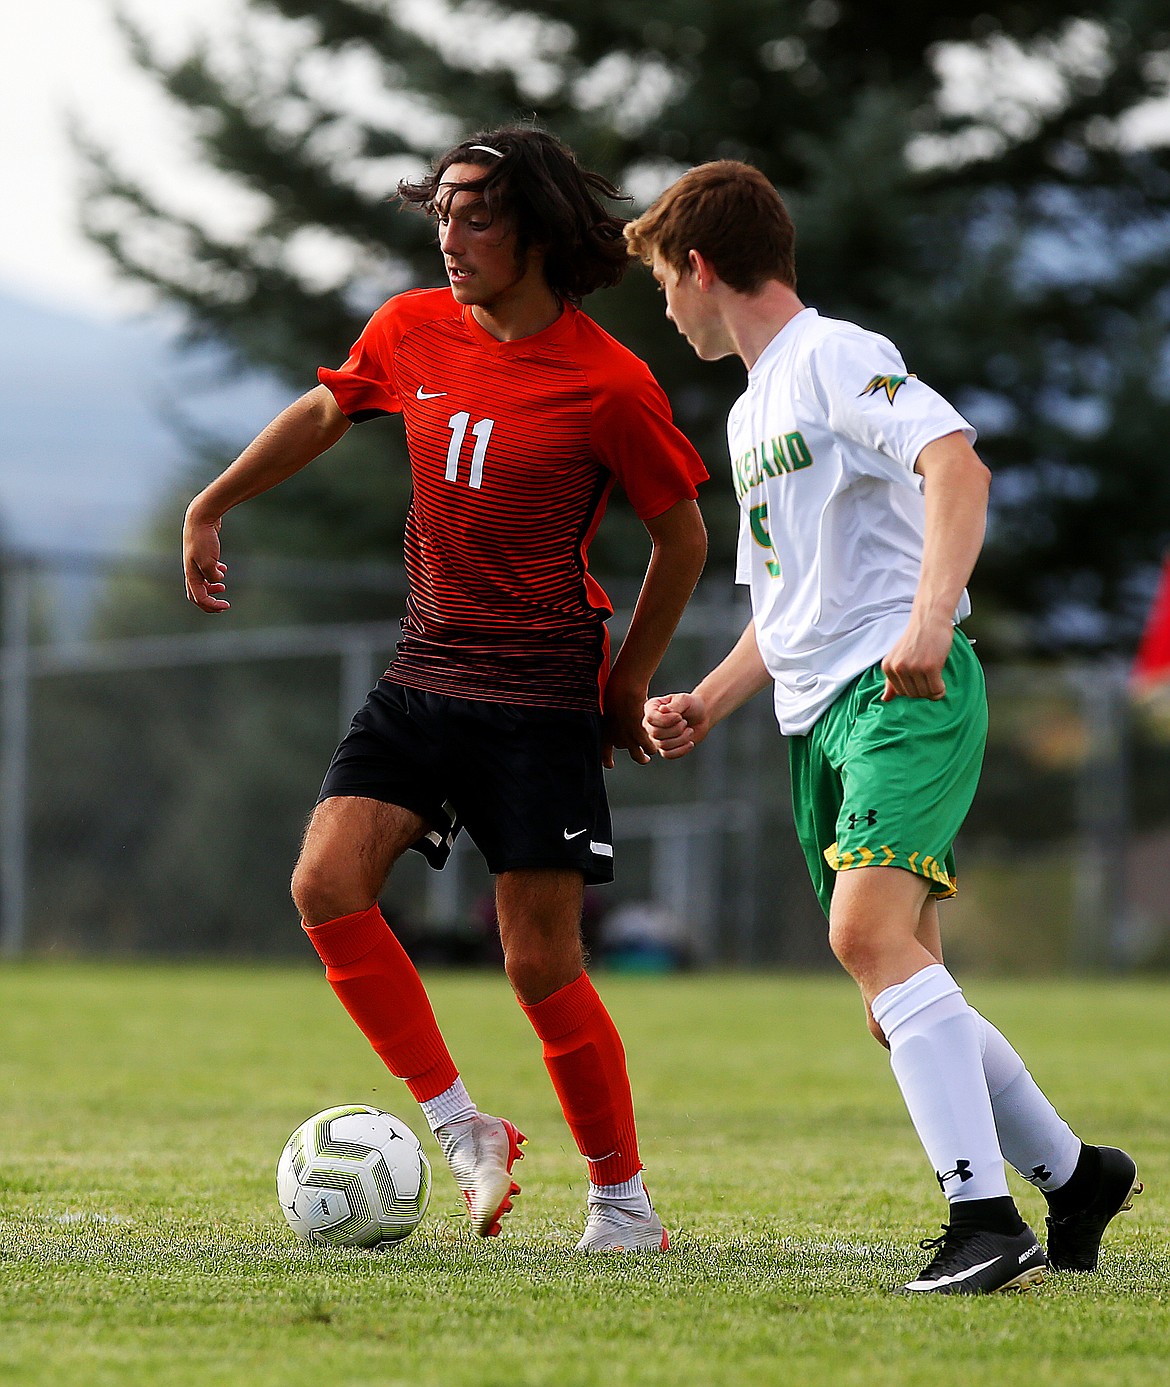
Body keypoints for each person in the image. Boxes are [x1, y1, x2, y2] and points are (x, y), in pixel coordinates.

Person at [183, 127, 708, 1251]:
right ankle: (463, 1125)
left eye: (477, 217)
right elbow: (329, 409)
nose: (451, 237)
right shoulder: (410, 325)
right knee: (325, 882)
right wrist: (212, 503)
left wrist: (627, 686)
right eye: (442, 213)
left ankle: (622, 1205)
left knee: (538, 961)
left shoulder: (607, 381)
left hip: (538, 692)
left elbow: (682, 540)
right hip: (425, 675)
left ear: (538, 234)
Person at [626, 161, 1140, 1293]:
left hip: (902, 693)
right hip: (819, 722)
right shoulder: (753, 407)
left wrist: (925, 619)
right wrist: (704, 700)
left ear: (702, 267)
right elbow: (785, 603)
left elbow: (956, 466)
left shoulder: (833, 355)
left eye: (664, 278)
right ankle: (1077, 1175)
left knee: (865, 940)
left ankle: (982, 1223)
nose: (663, 304)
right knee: (895, 996)